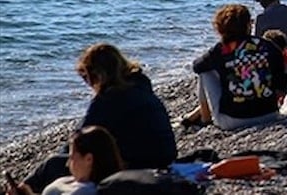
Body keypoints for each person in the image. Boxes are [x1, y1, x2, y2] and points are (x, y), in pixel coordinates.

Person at [19, 45, 176, 194]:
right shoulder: (140, 85)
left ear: (99, 76)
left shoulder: (109, 99)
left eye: (86, 78)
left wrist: (68, 158)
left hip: (139, 164)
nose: (88, 84)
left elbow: (79, 140)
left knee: (55, 164)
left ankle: (21, 191)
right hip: (165, 158)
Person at [185, 4, 286, 130]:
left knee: (205, 71)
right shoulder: (267, 46)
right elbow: (281, 78)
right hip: (270, 114)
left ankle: (205, 119)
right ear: (249, 25)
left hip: (234, 121)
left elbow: (197, 66)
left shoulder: (221, 49)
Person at [10, 126, 124, 195]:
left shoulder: (84, 192)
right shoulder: (79, 184)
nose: (67, 163)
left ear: (88, 159)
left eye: (71, 157)